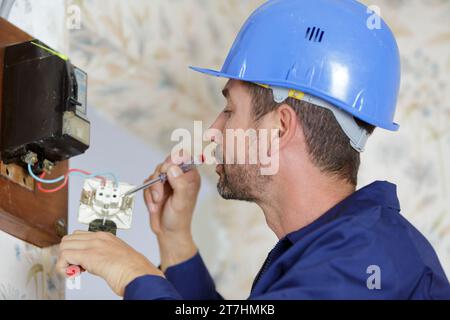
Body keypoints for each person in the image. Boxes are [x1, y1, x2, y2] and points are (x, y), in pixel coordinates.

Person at [56, 0, 450, 299]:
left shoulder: (363, 263)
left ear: (279, 128)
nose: (213, 130)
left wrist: (132, 275)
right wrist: (175, 242)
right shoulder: (339, 247)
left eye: (229, 110)